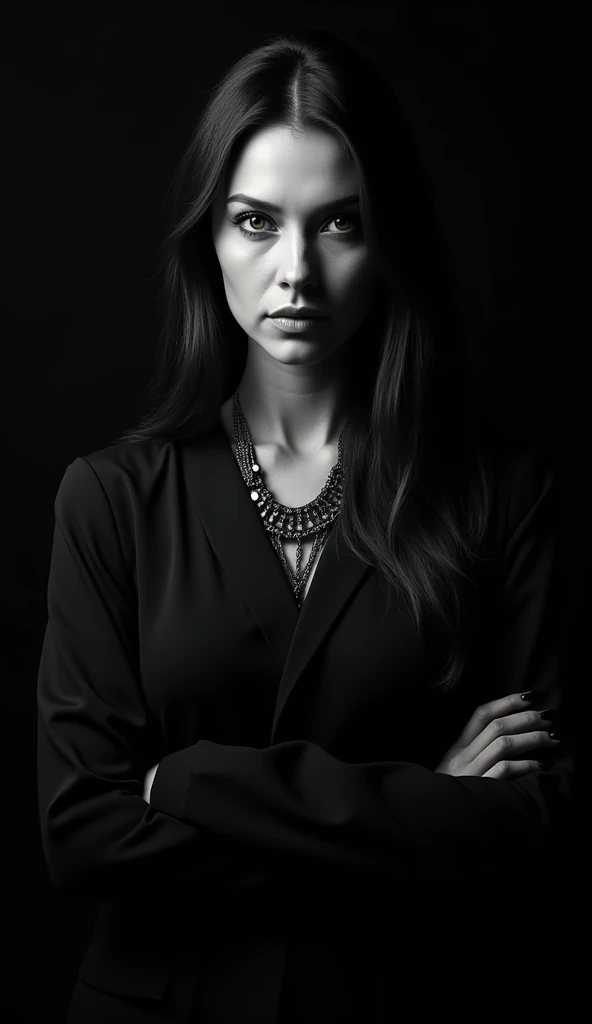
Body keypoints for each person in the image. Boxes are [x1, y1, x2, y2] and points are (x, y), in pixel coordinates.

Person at [37, 29, 577, 1023]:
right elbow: (81, 834)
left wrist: (192, 782)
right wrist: (422, 798)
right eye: (254, 221)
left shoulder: (501, 493)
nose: (295, 270)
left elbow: (538, 821)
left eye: (337, 223)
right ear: (208, 234)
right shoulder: (111, 498)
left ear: (388, 238)